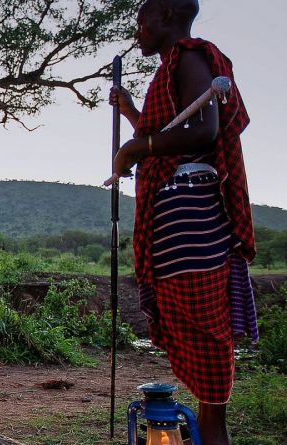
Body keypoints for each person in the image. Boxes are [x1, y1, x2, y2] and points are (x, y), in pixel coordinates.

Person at [107, 1, 256, 444]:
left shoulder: (191, 54)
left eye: (142, 20)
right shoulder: (172, 65)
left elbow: (204, 130)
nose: (139, 30)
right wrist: (134, 115)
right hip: (176, 213)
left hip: (190, 212)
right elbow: (173, 132)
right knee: (196, 338)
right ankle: (209, 426)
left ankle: (211, 430)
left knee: (209, 345)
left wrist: (135, 147)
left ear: (168, 15)